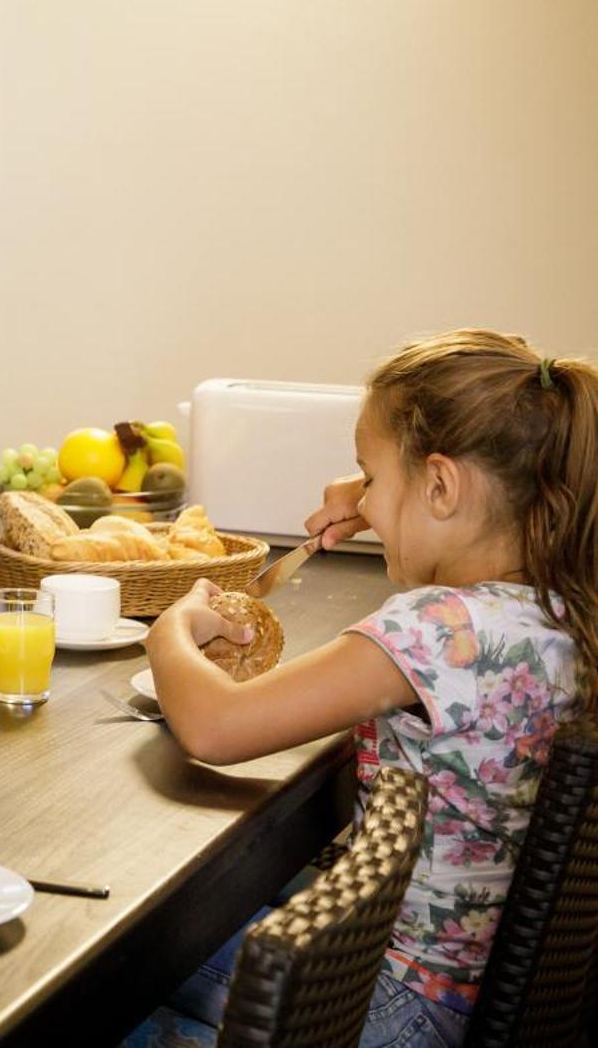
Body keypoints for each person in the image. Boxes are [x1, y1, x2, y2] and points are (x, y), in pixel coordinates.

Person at [130, 330, 595, 1047]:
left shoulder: (435, 629)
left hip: (383, 1004)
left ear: (441, 485)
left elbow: (216, 726)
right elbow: (448, 532)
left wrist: (168, 626)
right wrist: (385, 494)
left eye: (368, 476)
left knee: (125, 968)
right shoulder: (565, 603)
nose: (364, 503)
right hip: (464, 992)